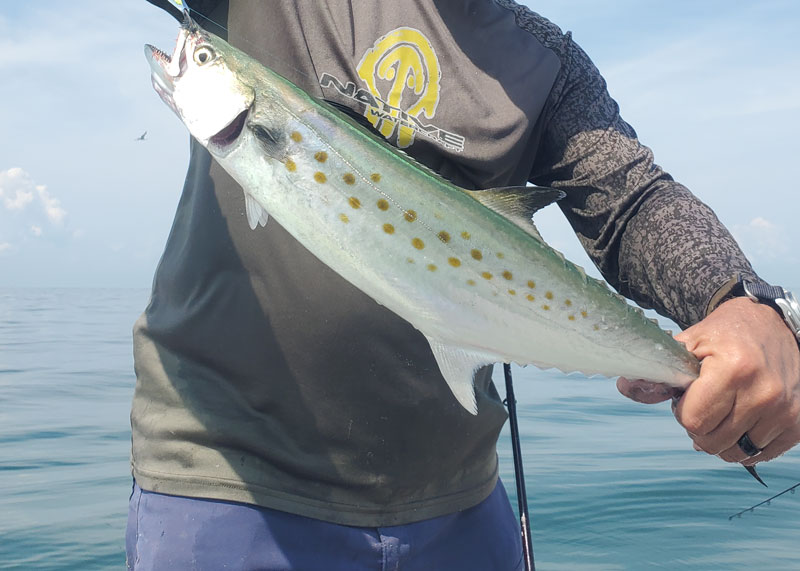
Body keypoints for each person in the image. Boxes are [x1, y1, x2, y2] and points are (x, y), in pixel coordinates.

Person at [129, 1, 800, 569]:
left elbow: (629, 204)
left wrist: (748, 303)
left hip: (456, 504)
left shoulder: (548, 63)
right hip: (225, 482)